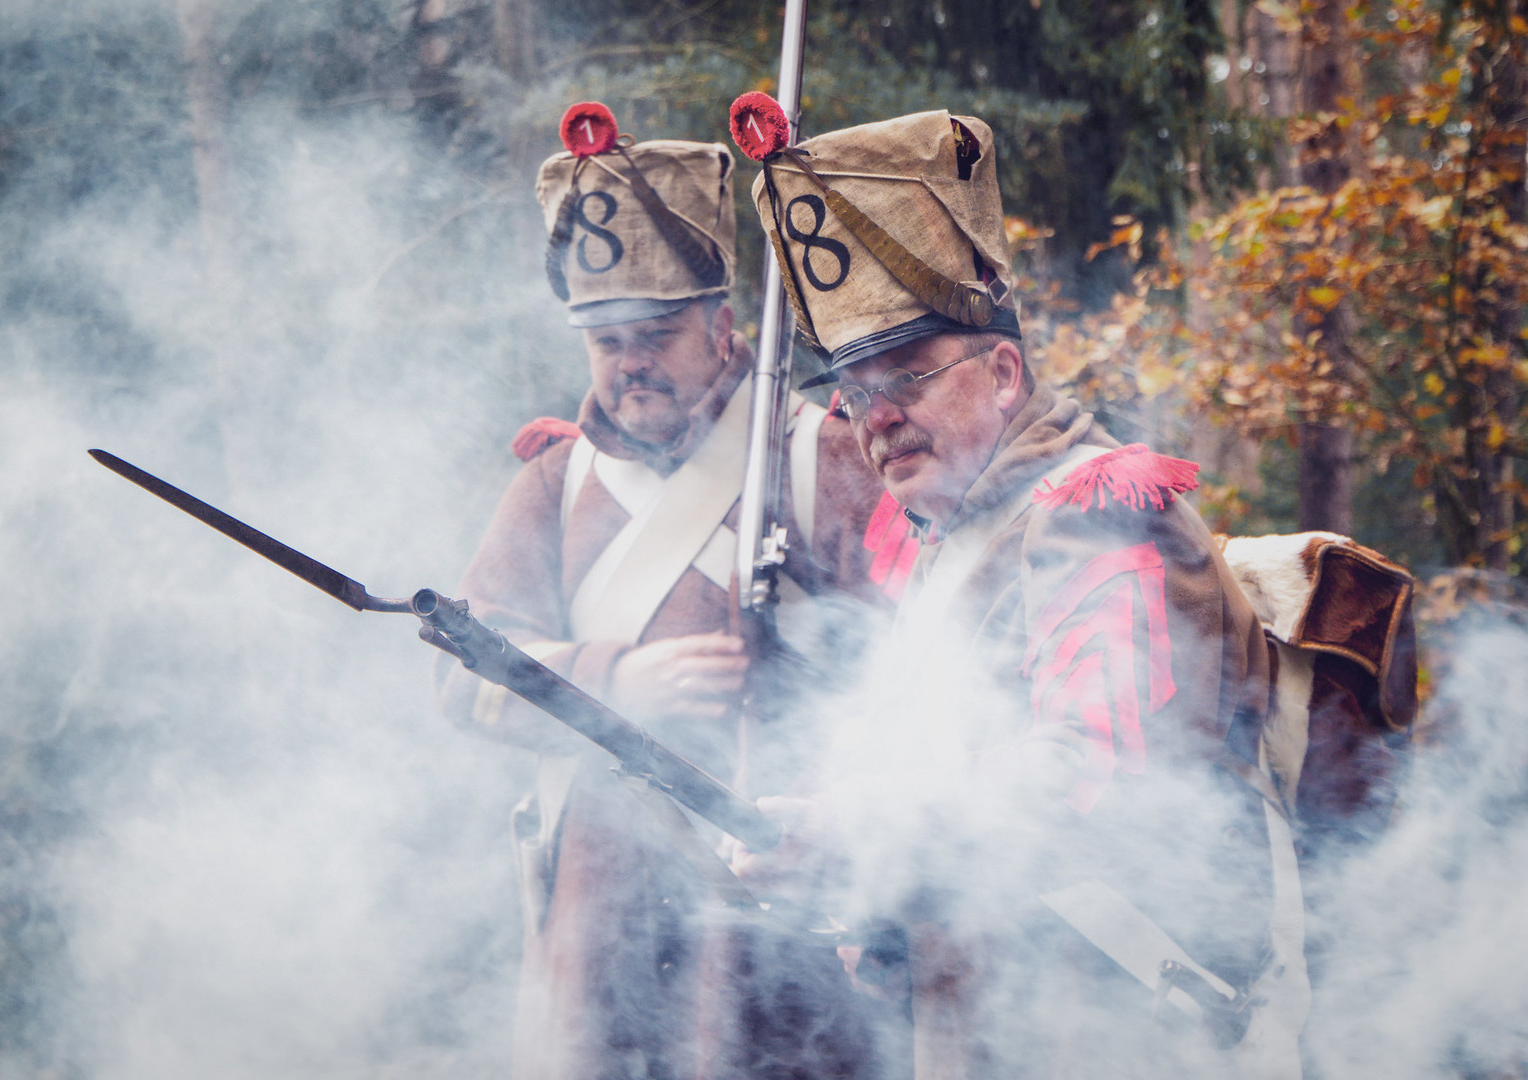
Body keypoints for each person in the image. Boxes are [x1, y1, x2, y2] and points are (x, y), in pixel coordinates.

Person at [726, 102, 1308, 1079]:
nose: (879, 419)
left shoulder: (1092, 508)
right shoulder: (947, 540)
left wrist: (866, 828)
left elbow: (1087, 780)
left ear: (1002, 372)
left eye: (908, 376)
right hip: (1005, 1015)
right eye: (859, 393)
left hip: (1119, 1027)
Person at [438, 103, 897, 1080]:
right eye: (605, 341)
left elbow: (913, 677)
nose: (629, 362)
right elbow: (463, 678)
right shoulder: (552, 486)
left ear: (722, 325)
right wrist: (614, 680)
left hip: (790, 943)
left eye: (653, 332)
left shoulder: (823, 457)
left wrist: (846, 805)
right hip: (597, 935)